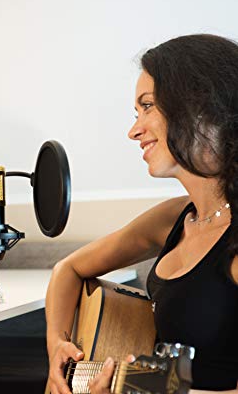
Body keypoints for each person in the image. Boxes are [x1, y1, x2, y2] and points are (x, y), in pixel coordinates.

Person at [45, 34, 238, 394]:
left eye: (147, 106)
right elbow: (67, 270)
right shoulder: (174, 218)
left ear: (201, 105)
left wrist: (137, 389)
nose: (134, 131)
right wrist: (58, 343)